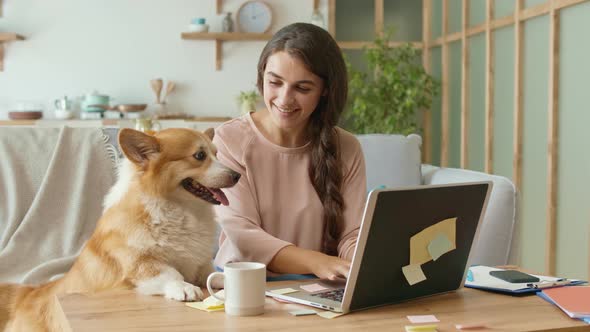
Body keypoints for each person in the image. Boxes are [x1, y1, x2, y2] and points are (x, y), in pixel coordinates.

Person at [213, 22, 367, 281]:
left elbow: (352, 236)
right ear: (262, 75)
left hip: (318, 283)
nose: (284, 99)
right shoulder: (230, 139)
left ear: (325, 90)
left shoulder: (347, 147)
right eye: (275, 82)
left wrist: (363, 263)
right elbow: (244, 236)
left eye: (303, 88)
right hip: (245, 281)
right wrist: (318, 261)